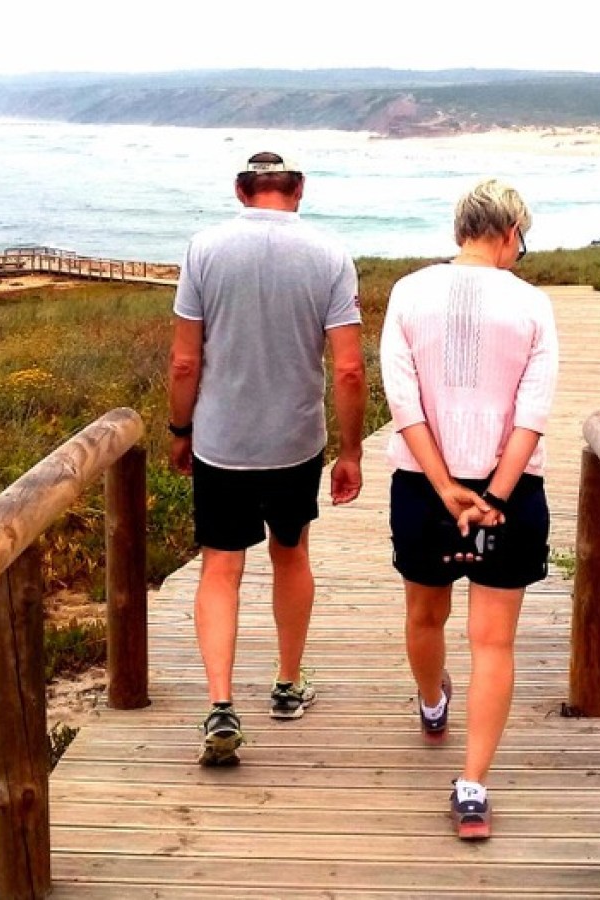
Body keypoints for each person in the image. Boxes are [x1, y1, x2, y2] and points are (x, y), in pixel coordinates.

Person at [168, 150, 368, 767]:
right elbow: (351, 368)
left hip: (221, 442)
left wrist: (179, 429)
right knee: (291, 554)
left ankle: (222, 704)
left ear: (240, 190)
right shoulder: (330, 254)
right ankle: (286, 685)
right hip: (295, 441)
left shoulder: (204, 249)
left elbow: (183, 361)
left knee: (220, 568)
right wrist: (352, 449)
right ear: (298, 190)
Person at [379, 178, 559, 839]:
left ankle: (432, 702)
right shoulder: (533, 304)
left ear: (463, 230)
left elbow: (404, 405)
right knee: (494, 641)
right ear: (510, 232)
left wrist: (445, 486)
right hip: (508, 495)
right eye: (522, 240)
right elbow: (531, 416)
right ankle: (474, 786)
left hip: (424, 489)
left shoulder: (406, 293)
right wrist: (492, 497)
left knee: (425, 614)